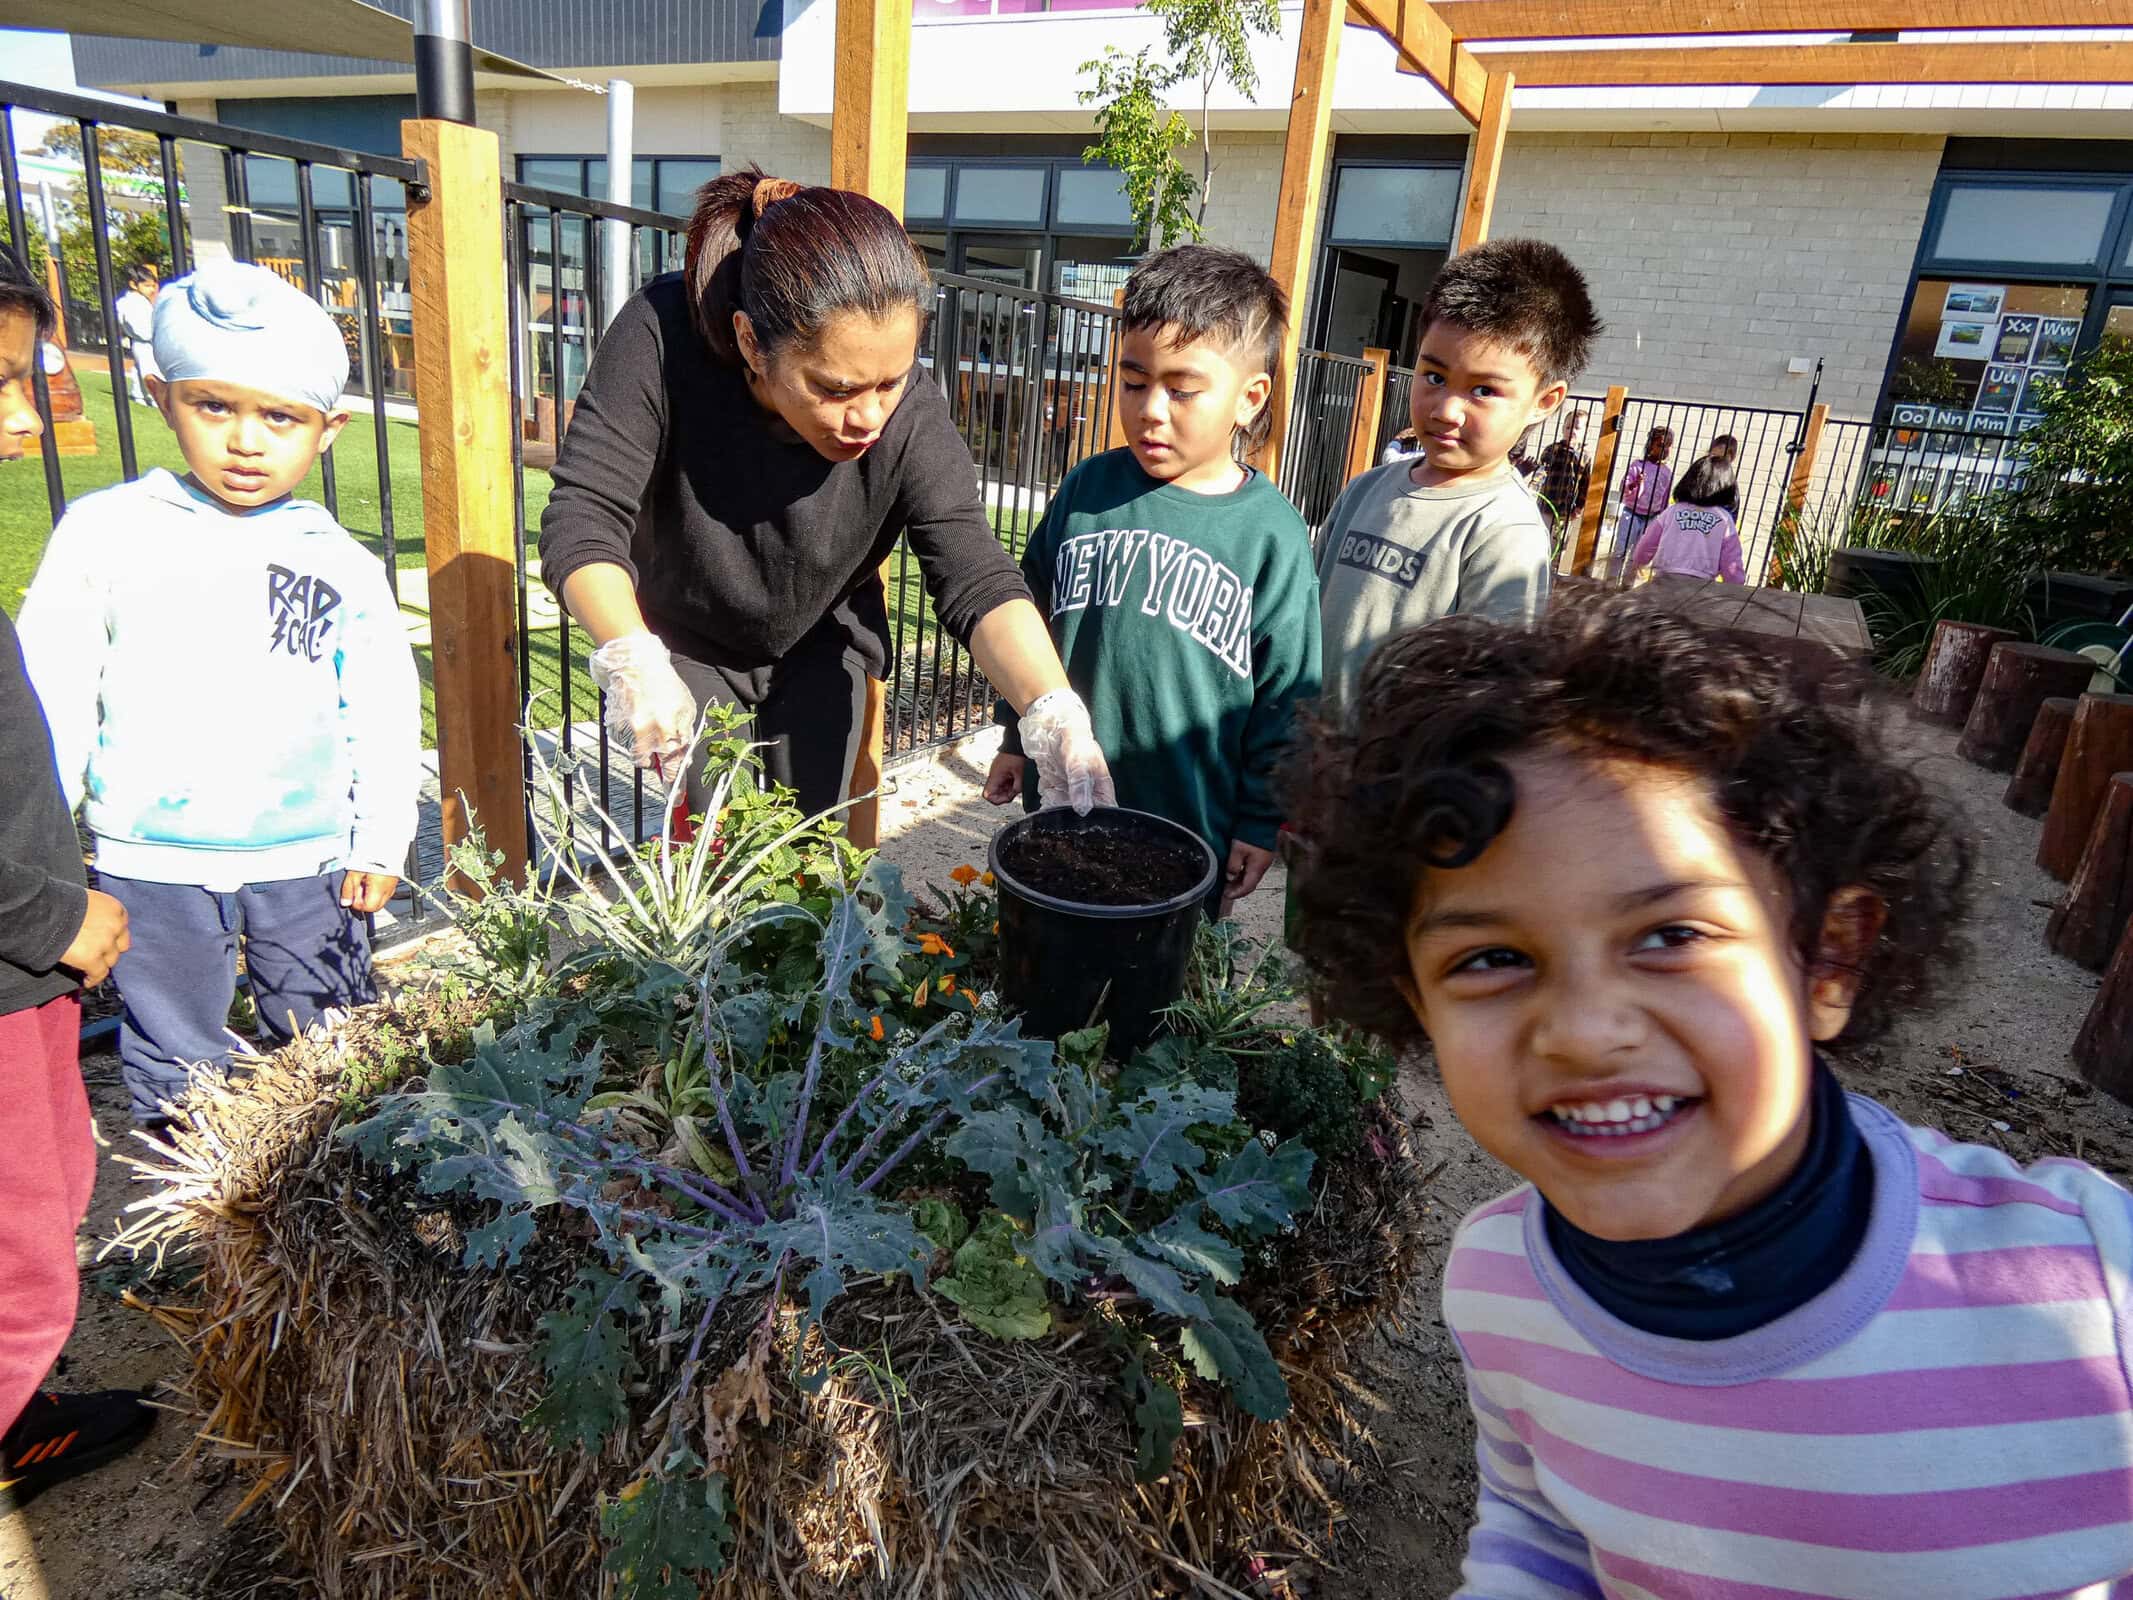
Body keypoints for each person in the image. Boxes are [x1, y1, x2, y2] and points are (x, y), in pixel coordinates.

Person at [1289, 593, 2133, 1596]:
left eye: (1671, 935)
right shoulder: (1496, 1284)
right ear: (1415, 1001)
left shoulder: (2095, 1291)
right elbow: (1544, 1525)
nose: (1584, 1032)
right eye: (1492, 958)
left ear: (1829, 959)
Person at [539, 168, 1111, 823]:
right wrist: (632, 655)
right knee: (712, 842)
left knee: (815, 843)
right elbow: (583, 518)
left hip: (822, 632)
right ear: (751, 342)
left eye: (890, 382)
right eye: (836, 389)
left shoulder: (909, 412)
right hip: (688, 635)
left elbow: (974, 572)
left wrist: (1052, 709)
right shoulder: (661, 335)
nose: (869, 417)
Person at [18, 261, 421, 1132]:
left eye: (280, 417)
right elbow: (52, 696)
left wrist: (382, 834)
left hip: (311, 855)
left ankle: (335, 1169)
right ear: (160, 397)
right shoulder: (106, 534)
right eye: (214, 406)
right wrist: (49, 847)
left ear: (329, 429)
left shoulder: (339, 561)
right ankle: (198, 1182)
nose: (245, 441)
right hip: (148, 854)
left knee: (330, 1034)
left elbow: (383, 711)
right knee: (173, 1046)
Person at [982, 246, 1319, 919]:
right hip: (1066, 804)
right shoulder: (1087, 489)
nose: (1150, 410)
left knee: (1167, 972)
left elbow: (1289, 698)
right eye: (1133, 383)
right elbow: (1029, 615)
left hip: (1188, 826)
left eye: (1182, 389)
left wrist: (1260, 822)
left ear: (1249, 398)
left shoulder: (1270, 534)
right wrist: (1016, 737)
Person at [0, 245, 155, 1513]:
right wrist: (54, 912)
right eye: (0, 381)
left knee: (53, 1192)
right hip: (16, 956)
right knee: (26, 1266)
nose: (25, 415)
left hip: (28, 971)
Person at [1314, 238, 1600, 712]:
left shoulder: (1505, 531)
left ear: (1544, 401)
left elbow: (1490, 697)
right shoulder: (1365, 490)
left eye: (1483, 390)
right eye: (1434, 377)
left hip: (1394, 757)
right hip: (1302, 746)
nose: (1446, 409)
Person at [1628, 454, 1746, 583]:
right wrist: (1736, 584)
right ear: (1726, 487)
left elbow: (1648, 542)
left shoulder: (1672, 511)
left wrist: (1639, 562)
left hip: (1664, 577)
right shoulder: (1724, 519)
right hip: (1700, 583)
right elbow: (1731, 560)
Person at [1533, 407, 1591, 550]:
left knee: (1559, 544)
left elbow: (1585, 484)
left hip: (1567, 509)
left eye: (1577, 428)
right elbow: (1542, 470)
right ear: (1562, 429)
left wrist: (1579, 506)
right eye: (1568, 427)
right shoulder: (1552, 449)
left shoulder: (1585, 456)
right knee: (1540, 539)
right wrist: (1534, 486)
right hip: (1547, 504)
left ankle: (1554, 562)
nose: (1571, 431)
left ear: (1585, 432)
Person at [1612, 423, 1673, 557]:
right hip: (1631, 514)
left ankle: (1632, 571)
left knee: (1639, 554)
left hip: (1651, 518)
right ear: (1651, 446)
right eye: (1660, 445)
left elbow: (1665, 497)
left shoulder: (1667, 472)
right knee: (1620, 550)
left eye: (1668, 446)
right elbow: (1624, 487)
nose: (1665, 449)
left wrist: (1663, 517)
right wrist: (1635, 483)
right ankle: (1614, 570)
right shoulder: (1638, 466)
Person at [115, 263, 160, 405]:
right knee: (149, 369)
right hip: (143, 342)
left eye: (153, 286)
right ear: (134, 285)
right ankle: (152, 397)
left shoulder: (141, 301)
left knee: (140, 368)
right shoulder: (131, 302)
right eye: (147, 286)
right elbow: (139, 327)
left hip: (146, 341)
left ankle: (139, 394)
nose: (151, 289)